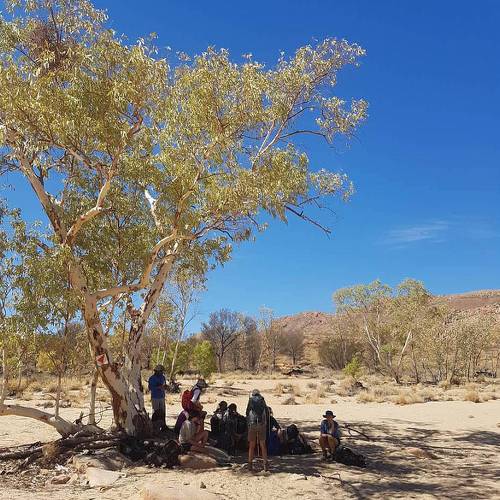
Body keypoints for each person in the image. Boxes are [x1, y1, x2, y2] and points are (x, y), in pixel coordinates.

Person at [246, 389, 269, 471]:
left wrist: (248, 423)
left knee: (252, 445)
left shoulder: (251, 400)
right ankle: (265, 465)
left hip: (252, 424)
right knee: (263, 445)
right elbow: (266, 411)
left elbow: (247, 412)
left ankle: (250, 464)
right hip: (261, 424)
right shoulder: (262, 399)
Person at [148, 365, 167, 432]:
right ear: (156, 371)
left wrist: (165, 387)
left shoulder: (163, 377)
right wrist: (158, 387)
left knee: (163, 411)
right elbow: (150, 388)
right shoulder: (151, 378)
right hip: (155, 397)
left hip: (162, 397)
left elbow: (164, 385)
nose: (162, 373)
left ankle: (163, 426)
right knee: (155, 412)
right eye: (160, 371)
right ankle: (155, 426)